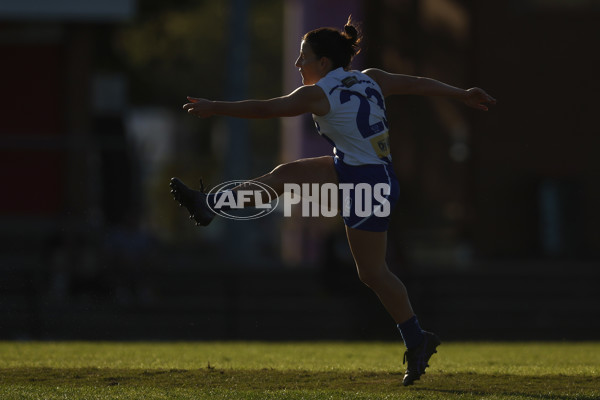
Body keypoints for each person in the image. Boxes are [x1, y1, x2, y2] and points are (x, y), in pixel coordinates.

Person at [170, 17, 496, 386]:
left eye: (303, 57)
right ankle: (208, 203)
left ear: (323, 63)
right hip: (360, 169)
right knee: (284, 176)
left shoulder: (318, 93)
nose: (298, 65)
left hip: (368, 182)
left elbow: (266, 109)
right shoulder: (370, 77)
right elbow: (416, 83)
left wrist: (216, 107)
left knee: (372, 273)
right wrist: (461, 93)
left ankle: (417, 338)